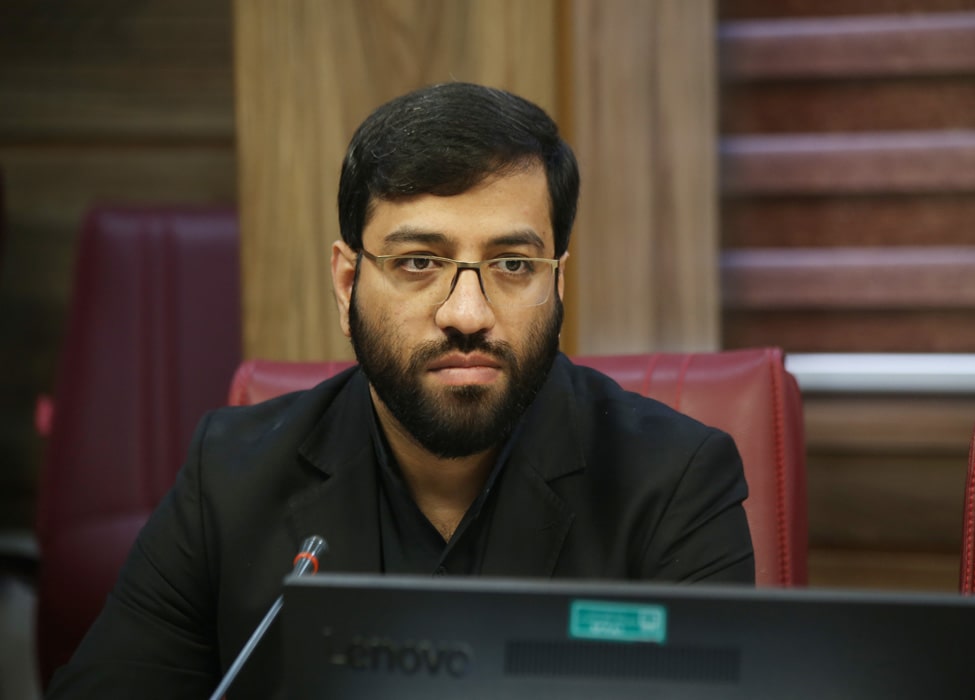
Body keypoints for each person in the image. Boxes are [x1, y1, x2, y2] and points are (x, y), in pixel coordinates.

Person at [46, 82, 753, 698]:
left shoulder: (673, 484)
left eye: (513, 264)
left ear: (557, 283)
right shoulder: (229, 479)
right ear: (347, 282)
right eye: (419, 262)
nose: (467, 314)